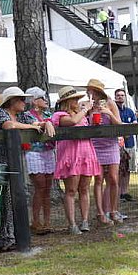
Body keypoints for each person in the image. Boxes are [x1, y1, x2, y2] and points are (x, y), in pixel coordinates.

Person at [0, 87, 55, 250]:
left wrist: (46, 123)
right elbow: (9, 125)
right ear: (12, 101)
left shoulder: (22, 115)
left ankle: (13, 236)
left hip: (15, 163)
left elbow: (35, 121)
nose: (25, 103)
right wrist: (31, 127)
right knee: (2, 201)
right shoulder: (0, 113)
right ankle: (4, 238)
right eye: (21, 100)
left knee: (16, 197)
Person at [52, 86, 100, 235]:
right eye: (75, 99)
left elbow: (83, 123)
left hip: (86, 153)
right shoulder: (60, 115)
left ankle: (85, 220)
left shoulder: (82, 115)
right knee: (71, 190)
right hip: (71, 155)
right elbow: (72, 121)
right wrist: (84, 110)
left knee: (84, 188)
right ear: (67, 101)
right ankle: (72, 223)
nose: (77, 102)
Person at [86, 79, 123, 225]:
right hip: (95, 144)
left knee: (113, 178)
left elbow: (119, 124)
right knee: (99, 179)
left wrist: (108, 113)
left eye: (92, 90)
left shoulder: (110, 103)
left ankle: (113, 210)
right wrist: (87, 111)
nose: (90, 93)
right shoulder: (88, 105)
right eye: (89, 90)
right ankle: (100, 213)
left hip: (111, 144)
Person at [24, 86, 56, 235]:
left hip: (48, 151)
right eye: (42, 98)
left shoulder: (49, 114)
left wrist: (48, 122)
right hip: (34, 152)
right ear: (34, 101)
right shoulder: (27, 115)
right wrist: (45, 123)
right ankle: (36, 221)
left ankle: (47, 221)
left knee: (48, 188)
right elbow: (33, 125)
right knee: (40, 187)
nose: (45, 101)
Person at [115, 88, 137, 202]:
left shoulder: (129, 111)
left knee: (127, 169)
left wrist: (126, 126)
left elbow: (134, 125)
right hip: (118, 144)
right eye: (118, 95)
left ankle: (125, 192)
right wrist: (126, 126)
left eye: (122, 95)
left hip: (129, 143)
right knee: (119, 169)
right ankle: (118, 193)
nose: (120, 97)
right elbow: (117, 125)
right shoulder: (114, 111)